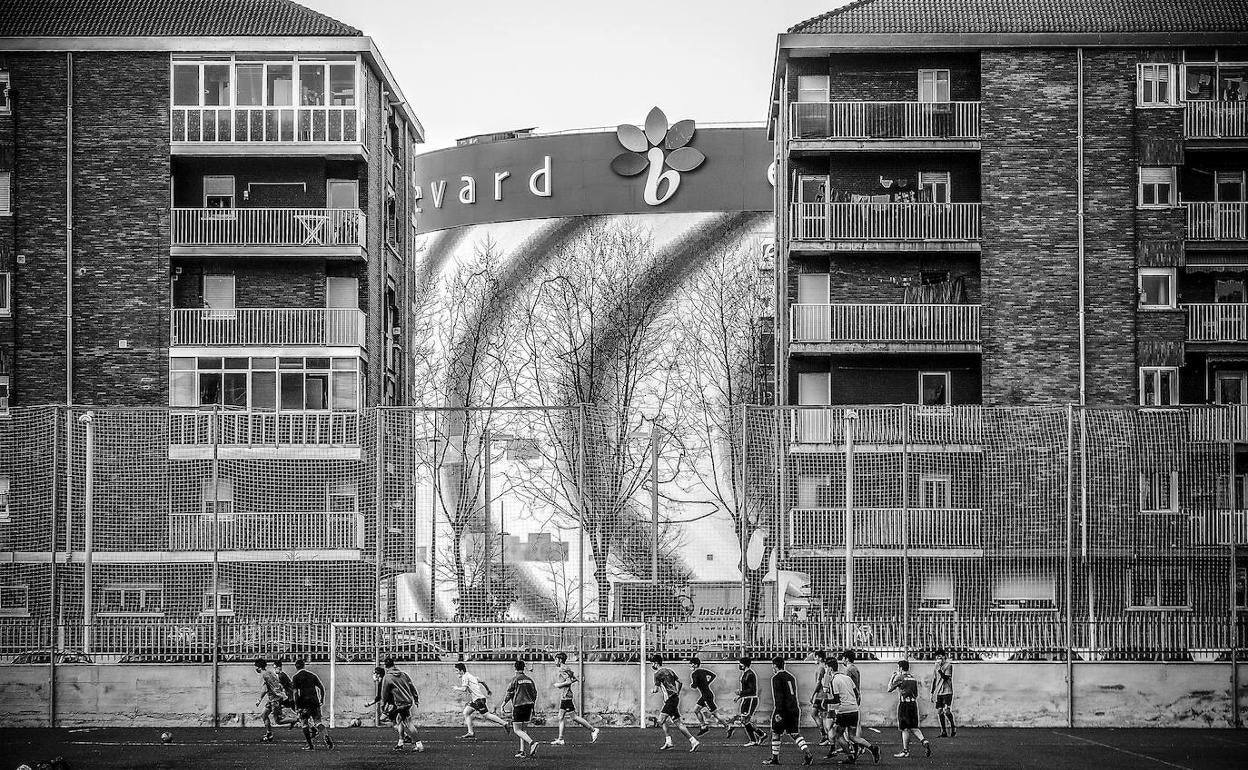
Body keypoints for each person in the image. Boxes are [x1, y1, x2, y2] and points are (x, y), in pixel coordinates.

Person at [826, 658, 879, 765]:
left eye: (827, 667)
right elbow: (856, 693)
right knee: (852, 736)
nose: (826, 669)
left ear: (830, 668)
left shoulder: (834, 680)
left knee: (838, 734)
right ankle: (872, 748)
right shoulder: (847, 678)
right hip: (854, 710)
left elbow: (836, 699)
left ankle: (850, 756)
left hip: (844, 711)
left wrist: (825, 701)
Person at [763, 656, 812, 766]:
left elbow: (778, 696)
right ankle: (807, 753)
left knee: (776, 732)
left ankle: (775, 758)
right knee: (794, 733)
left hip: (783, 709)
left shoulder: (776, 678)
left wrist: (778, 712)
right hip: (794, 708)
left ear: (775, 666)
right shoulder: (791, 677)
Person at [649, 654, 700, 752]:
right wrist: (677, 692)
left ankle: (669, 741)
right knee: (678, 723)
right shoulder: (670, 671)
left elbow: (656, 689)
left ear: (656, 663)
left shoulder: (657, 674)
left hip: (670, 700)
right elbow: (680, 682)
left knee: (661, 720)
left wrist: (652, 690)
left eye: (652, 663)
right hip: (675, 698)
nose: (652, 665)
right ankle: (693, 741)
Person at [551, 652, 600, 745]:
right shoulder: (567, 668)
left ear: (560, 660)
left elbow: (569, 681)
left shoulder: (562, 669)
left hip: (566, 696)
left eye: (556, 659)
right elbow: (574, 679)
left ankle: (593, 730)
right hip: (565, 695)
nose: (555, 661)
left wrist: (559, 685)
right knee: (561, 717)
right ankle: (560, 738)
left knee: (574, 717)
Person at [453, 662, 511, 738]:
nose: (456, 672)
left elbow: (464, 689)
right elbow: (482, 682)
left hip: (478, 700)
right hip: (477, 700)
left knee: (487, 715)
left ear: (461, 670)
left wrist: (456, 688)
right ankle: (470, 732)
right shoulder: (472, 676)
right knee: (466, 712)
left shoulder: (465, 677)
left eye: (457, 670)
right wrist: (488, 690)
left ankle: (505, 723)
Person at [378, 658, 423, 752]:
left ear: (386, 667)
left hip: (399, 703)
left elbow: (384, 693)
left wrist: (382, 705)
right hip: (408, 702)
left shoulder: (387, 677)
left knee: (406, 722)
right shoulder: (404, 674)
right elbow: (412, 686)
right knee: (399, 720)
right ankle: (401, 743)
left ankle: (419, 744)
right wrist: (416, 698)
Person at [888, 660, 930, 758]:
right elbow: (916, 694)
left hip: (904, 705)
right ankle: (924, 741)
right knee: (914, 727)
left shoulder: (900, 677)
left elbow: (889, 689)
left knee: (905, 728)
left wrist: (892, 677)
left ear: (901, 668)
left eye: (898, 667)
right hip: (913, 704)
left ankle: (905, 751)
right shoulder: (913, 679)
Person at [503, 659, 543, 758]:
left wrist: (503, 704)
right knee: (523, 729)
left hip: (519, 706)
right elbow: (535, 693)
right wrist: (532, 704)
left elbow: (509, 693)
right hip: (529, 705)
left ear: (515, 668)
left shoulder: (515, 679)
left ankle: (532, 743)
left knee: (517, 730)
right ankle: (522, 751)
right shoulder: (529, 680)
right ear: (523, 668)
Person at [291, 659, 334, 751]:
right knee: (318, 722)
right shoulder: (312, 675)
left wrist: (296, 705)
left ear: (296, 667)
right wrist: (321, 699)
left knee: (304, 723)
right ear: (304, 665)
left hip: (304, 703)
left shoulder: (295, 677)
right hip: (314, 702)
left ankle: (310, 745)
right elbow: (321, 688)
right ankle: (326, 736)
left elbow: (295, 693)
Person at [725, 656, 764, 747]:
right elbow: (746, 689)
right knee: (745, 720)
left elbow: (752, 689)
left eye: (740, 663)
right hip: (746, 699)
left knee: (745, 720)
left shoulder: (750, 674)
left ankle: (756, 738)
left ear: (744, 664)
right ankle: (760, 736)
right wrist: (739, 696)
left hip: (750, 699)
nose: (739, 665)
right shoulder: (745, 674)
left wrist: (740, 692)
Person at [254, 658, 296, 742]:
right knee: (264, 715)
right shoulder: (269, 673)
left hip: (275, 700)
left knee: (278, 721)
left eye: (256, 667)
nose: (255, 669)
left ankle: (296, 719)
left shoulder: (265, 675)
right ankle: (269, 733)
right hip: (272, 699)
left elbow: (265, 689)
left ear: (259, 667)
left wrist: (259, 700)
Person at [689, 657, 725, 735]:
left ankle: (728, 726)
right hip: (706, 695)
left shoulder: (694, 674)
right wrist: (707, 683)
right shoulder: (703, 671)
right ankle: (703, 726)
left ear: (695, 665)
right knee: (696, 710)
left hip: (706, 696)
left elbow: (694, 685)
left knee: (715, 713)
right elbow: (713, 675)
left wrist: (692, 685)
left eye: (691, 664)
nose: (690, 666)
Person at [838, 650, 865, 750]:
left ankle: (855, 744)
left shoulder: (848, 669)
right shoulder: (855, 668)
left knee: (848, 724)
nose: (842, 660)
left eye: (843, 658)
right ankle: (858, 744)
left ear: (847, 658)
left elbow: (845, 684)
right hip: (856, 696)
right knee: (856, 723)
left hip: (850, 698)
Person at [930, 650, 956, 738]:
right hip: (938, 692)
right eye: (937, 657)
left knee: (946, 710)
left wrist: (940, 670)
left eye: (940, 657)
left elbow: (945, 677)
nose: (938, 659)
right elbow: (934, 679)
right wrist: (932, 692)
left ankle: (953, 726)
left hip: (947, 691)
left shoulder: (948, 666)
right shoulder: (936, 666)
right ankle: (943, 731)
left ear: (944, 656)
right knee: (939, 711)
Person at [810, 651, 831, 746]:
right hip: (820, 695)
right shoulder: (822, 667)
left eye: (816, 657)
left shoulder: (821, 668)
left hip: (821, 695)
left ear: (820, 658)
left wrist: (813, 694)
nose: (815, 659)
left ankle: (827, 736)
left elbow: (819, 683)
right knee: (814, 713)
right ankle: (824, 734)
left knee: (821, 715)